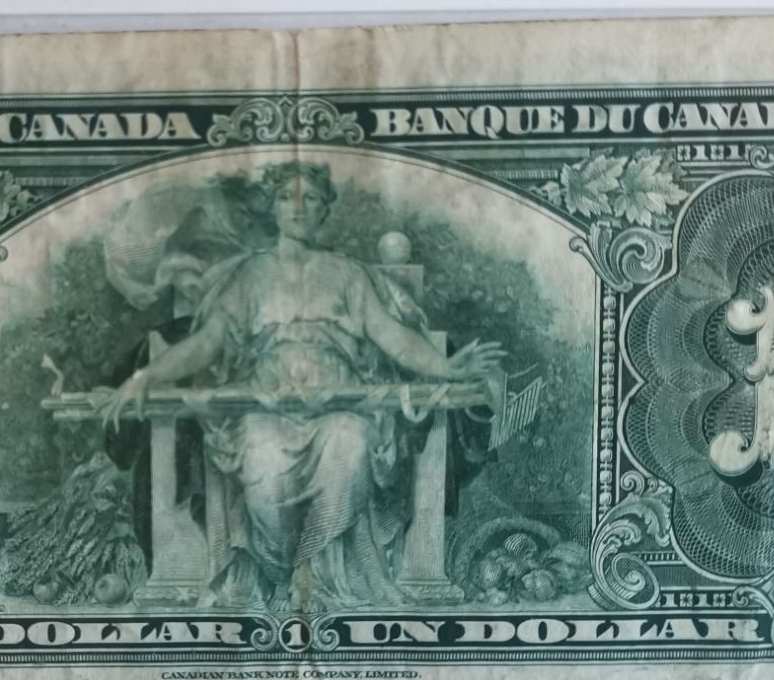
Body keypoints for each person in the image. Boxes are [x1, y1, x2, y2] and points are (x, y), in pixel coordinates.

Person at [95, 161, 504, 611]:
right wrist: (147, 375)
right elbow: (206, 343)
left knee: (351, 444)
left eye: (310, 197)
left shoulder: (348, 274)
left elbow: (393, 337)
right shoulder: (249, 275)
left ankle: (320, 576)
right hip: (262, 411)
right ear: (272, 206)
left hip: (340, 410)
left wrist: (446, 367)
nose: (298, 206)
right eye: (287, 197)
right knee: (263, 463)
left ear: (324, 208)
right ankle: (279, 572)